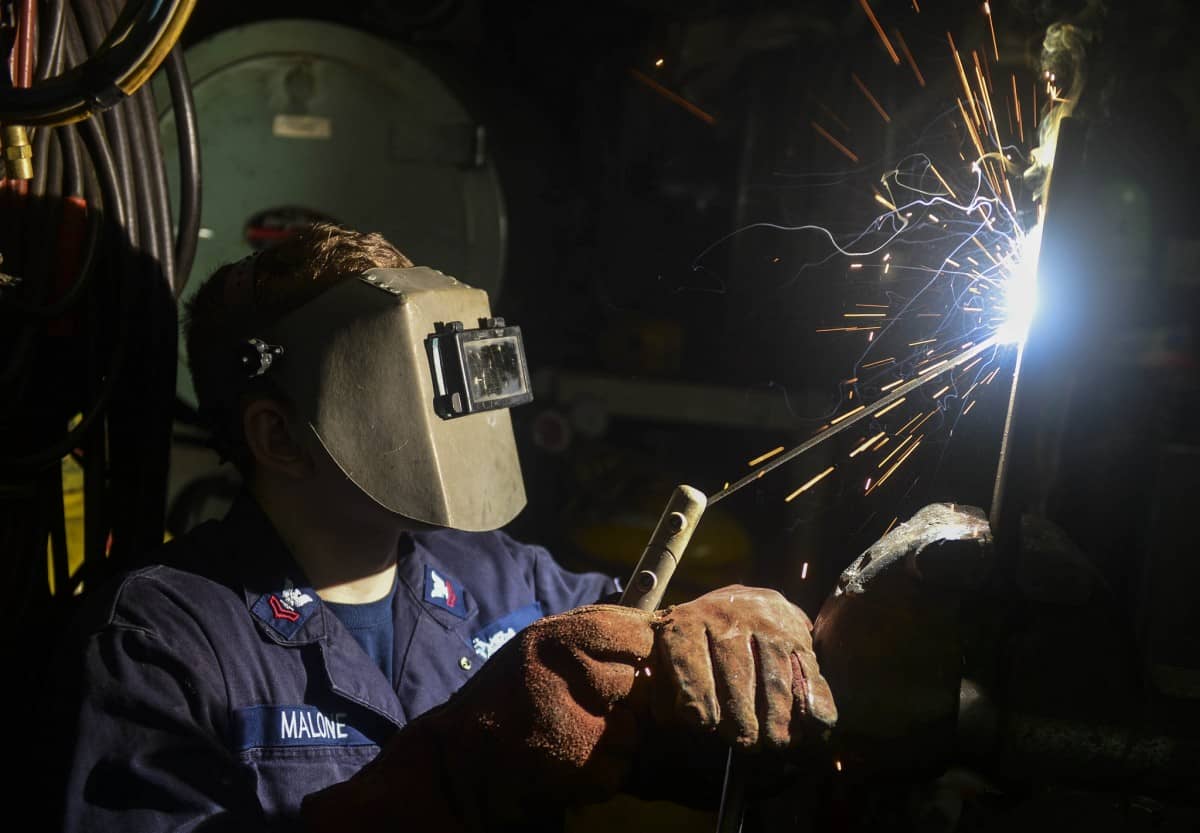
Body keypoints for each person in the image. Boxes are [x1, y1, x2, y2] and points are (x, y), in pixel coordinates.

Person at [49, 223, 838, 832]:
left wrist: (754, 628)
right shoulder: (159, 644)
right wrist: (458, 772)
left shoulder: (509, 582)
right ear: (279, 437)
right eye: (408, 387)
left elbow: (699, 706)